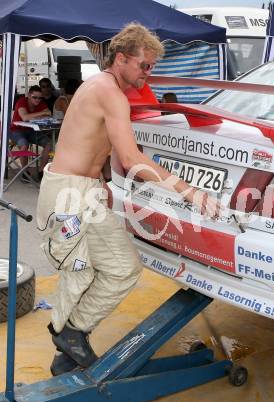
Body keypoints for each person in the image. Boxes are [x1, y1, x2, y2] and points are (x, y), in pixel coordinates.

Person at [36, 22, 221, 376]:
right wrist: (188, 191)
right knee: (80, 272)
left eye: (152, 67)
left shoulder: (107, 90)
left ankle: (71, 341)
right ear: (121, 59)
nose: (147, 74)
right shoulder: (108, 91)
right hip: (67, 194)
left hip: (85, 191)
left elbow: (94, 142)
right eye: (143, 66)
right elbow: (132, 157)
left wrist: (102, 181)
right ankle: (65, 342)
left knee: (124, 267)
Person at [10, 85, 52, 179]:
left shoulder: (41, 103)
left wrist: (35, 116)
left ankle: (41, 171)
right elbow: (24, 117)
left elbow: (49, 114)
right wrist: (41, 113)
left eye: (40, 98)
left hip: (32, 130)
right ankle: (25, 172)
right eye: (34, 97)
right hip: (16, 130)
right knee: (24, 145)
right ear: (29, 96)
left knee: (49, 143)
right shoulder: (22, 101)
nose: (37, 100)